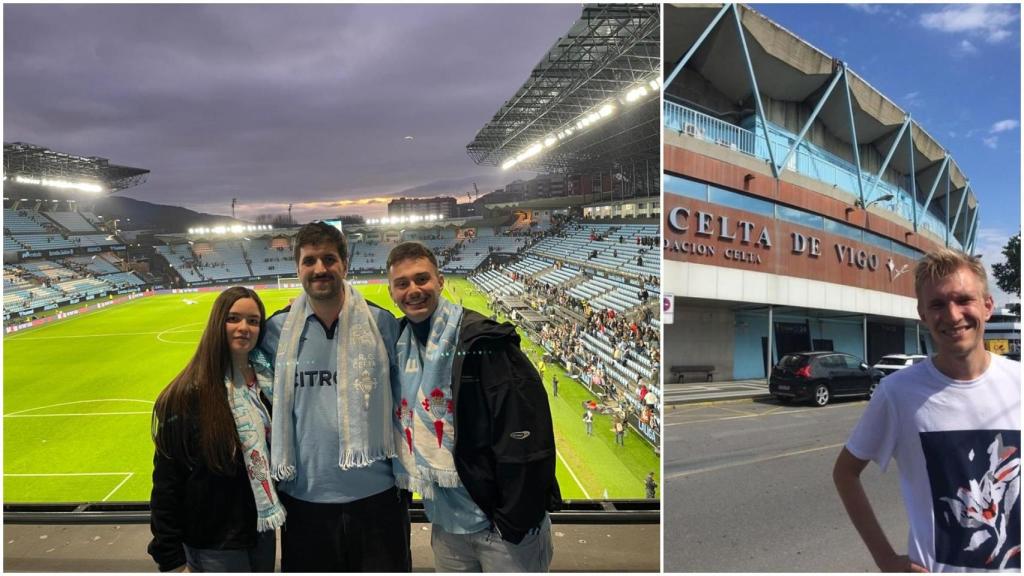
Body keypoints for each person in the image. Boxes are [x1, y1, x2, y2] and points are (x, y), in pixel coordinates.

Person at [833, 248, 1020, 572]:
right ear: (922, 314)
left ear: (987, 306)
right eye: (937, 304)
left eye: (964, 299)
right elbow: (845, 473)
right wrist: (886, 560)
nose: (951, 314)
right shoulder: (897, 393)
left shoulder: (1019, 381)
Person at [386, 241, 560, 572]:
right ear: (392, 291)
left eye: (422, 279)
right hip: (447, 526)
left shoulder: (482, 342)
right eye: (402, 283)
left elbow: (527, 433)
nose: (413, 290)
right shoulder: (397, 345)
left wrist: (513, 519)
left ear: (440, 280)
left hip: (501, 528)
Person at [259, 222, 410, 572]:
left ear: (345, 263)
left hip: (378, 497)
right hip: (304, 500)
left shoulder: (382, 323)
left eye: (329, 259)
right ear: (297, 267)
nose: (319, 269)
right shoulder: (275, 331)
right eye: (309, 260)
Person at [148, 287, 284, 572]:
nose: (244, 328)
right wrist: (170, 556)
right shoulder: (187, 395)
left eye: (253, 321)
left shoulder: (267, 383)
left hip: (260, 530)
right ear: (217, 323)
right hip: (213, 543)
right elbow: (167, 482)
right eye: (233, 319)